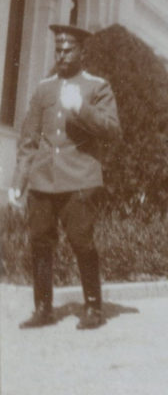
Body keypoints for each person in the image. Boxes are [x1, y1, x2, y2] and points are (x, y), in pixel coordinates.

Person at [10, 24, 121, 330]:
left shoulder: (98, 87)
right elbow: (29, 138)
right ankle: (43, 308)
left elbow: (113, 130)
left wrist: (82, 109)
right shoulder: (44, 88)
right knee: (40, 242)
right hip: (43, 180)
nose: (62, 55)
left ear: (82, 52)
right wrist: (19, 180)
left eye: (68, 49)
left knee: (82, 243)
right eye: (58, 49)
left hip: (80, 180)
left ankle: (93, 307)